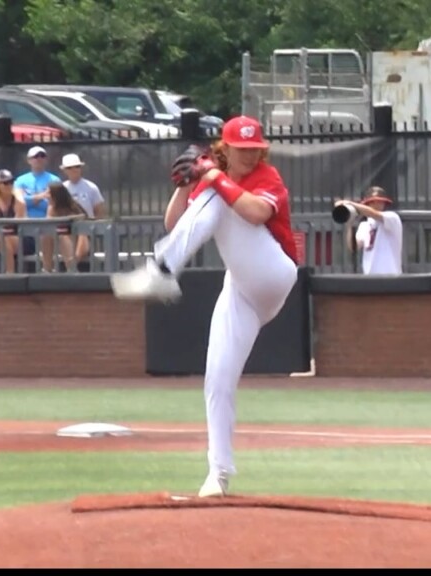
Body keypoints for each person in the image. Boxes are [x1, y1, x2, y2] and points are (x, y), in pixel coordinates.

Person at [110, 115, 299, 498]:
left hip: (273, 270)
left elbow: (257, 213)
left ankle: (161, 269)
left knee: (219, 194)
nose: (249, 155)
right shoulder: (216, 178)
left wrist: (212, 177)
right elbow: (174, 223)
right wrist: (184, 186)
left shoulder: (267, 176)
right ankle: (218, 475)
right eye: (241, 149)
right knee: (217, 376)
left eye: (254, 149)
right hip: (240, 288)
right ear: (224, 147)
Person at [337, 187, 404, 275]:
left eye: (380, 201)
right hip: (370, 276)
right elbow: (353, 247)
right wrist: (350, 225)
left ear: (384, 203)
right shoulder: (364, 225)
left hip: (391, 275)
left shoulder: (392, 218)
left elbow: (373, 213)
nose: (376, 204)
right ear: (367, 204)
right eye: (372, 202)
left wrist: (350, 204)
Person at [14, 146, 61, 273]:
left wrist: (30, 199)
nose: (39, 159)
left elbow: (54, 202)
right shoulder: (20, 180)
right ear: (29, 160)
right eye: (36, 157)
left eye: (42, 156)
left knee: (47, 233)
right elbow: (19, 201)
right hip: (25, 225)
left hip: (48, 224)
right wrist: (41, 196)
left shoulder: (54, 180)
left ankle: (47, 270)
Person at [58, 153, 106, 272]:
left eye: (77, 167)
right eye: (70, 168)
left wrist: (95, 226)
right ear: (65, 170)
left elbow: (99, 210)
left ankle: (71, 269)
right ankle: (71, 268)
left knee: (83, 236)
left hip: (87, 227)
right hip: (67, 227)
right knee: (64, 235)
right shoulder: (62, 188)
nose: (74, 170)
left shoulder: (91, 187)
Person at [0, 169, 27, 274]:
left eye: (11, 182)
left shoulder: (18, 202)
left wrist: (2, 229)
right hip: (0, 237)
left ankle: (10, 272)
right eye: (5, 183)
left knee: (5, 235)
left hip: (20, 237)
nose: (9, 185)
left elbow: (18, 223)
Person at [45, 181, 87, 273]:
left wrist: (76, 257)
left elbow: (83, 237)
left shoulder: (74, 210)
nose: (46, 195)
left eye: (48, 193)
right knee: (46, 234)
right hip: (59, 245)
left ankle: (71, 269)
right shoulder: (51, 209)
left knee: (62, 235)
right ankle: (47, 269)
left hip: (77, 245)